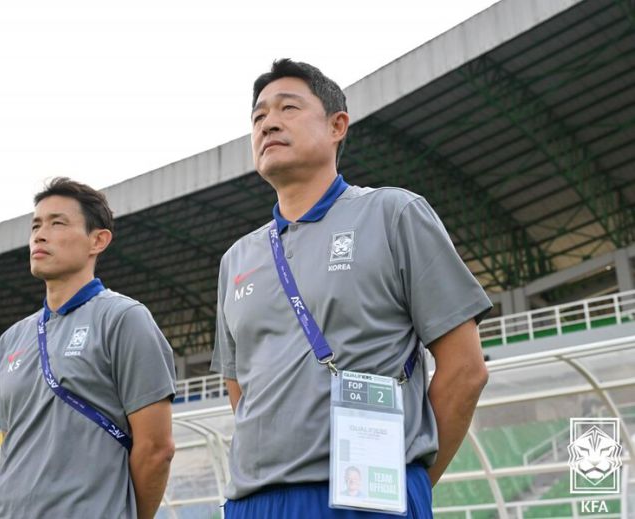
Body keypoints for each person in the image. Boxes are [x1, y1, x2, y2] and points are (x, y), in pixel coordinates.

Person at [210, 59, 492, 518]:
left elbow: (466, 369)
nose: (268, 123)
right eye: (258, 116)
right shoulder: (236, 259)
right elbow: (239, 390)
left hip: (366, 494)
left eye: (288, 108)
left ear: (337, 125)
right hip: (254, 502)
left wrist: (409, 481)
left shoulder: (394, 214)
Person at [0, 177, 176, 518]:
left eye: (57, 223)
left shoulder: (123, 318)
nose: (40, 235)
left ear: (97, 240)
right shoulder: (11, 339)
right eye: (36, 226)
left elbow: (156, 448)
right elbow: (11, 444)